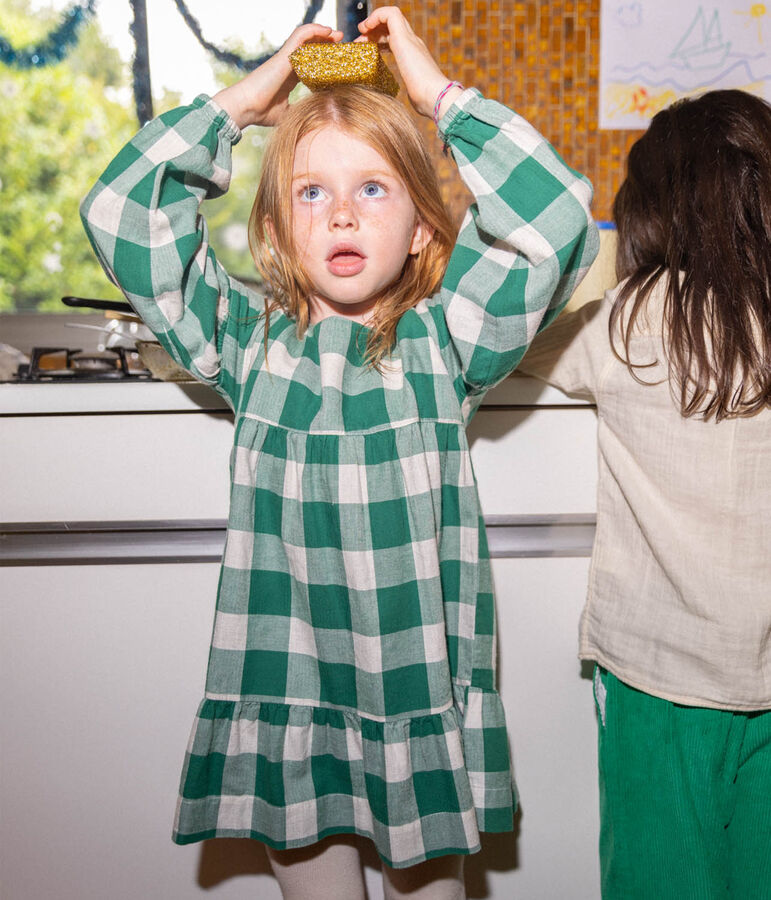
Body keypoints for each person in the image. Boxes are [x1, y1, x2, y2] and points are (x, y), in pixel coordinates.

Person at [81, 7, 598, 898]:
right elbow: (122, 212)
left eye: (374, 189)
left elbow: (557, 227)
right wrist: (245, 101)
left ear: (425, 233)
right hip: (291, 712)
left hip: (415, 711)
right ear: (278, 233)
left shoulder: (448, 343)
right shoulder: (244, 340)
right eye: (312, 193)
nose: (343, 212)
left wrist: (440, 99)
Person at [519, 89, 771, 899]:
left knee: (661, 880)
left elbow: (511, 344)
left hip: (661, 677)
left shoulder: (627, 322)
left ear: (651, 207)